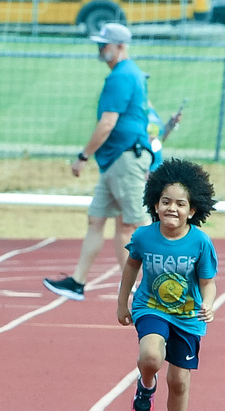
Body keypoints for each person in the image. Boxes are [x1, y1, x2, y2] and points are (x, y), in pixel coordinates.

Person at [117, 158, 217, 411]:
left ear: (193, 210)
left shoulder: (200, 243)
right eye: (166, 201)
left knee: (179, 382)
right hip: (151, 307)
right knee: (150, 357)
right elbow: (132, 265)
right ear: (155, 204)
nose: (172, 208)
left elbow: (208, 282)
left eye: (180, 203)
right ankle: (146, 385)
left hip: (187, 317)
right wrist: (123, 301)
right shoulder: (145, 237)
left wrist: (209, 303)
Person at [43, 22, 151, 302]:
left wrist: (83, 156)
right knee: (97, 219)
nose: (100, 50)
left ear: (120, 46)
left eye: (104, 45)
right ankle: (78, 282)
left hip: (124, 157)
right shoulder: (128, 74)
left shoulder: (122, 77)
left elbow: (107, 123)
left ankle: (140, 287)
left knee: (130, 224)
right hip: (115, 159)